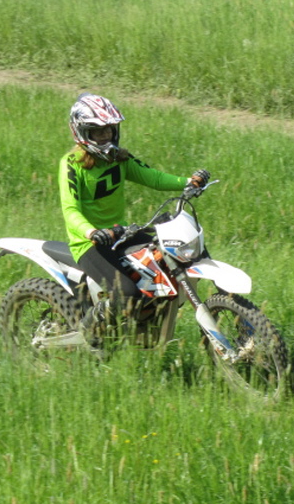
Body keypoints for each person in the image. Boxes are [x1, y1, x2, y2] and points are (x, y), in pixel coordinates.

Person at [59, 93, 209, 332]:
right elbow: (70, 209)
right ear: (83, 133)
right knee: (127, 293)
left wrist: (188, 182)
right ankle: (90, 331)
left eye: (109, 129)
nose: (105, 136)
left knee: (169, 260)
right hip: (89, 244)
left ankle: (145, 328)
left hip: (120, 233)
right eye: (98, 131)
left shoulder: (120, 159)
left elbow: (154, 178)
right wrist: (91, 232)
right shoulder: (72, 164)